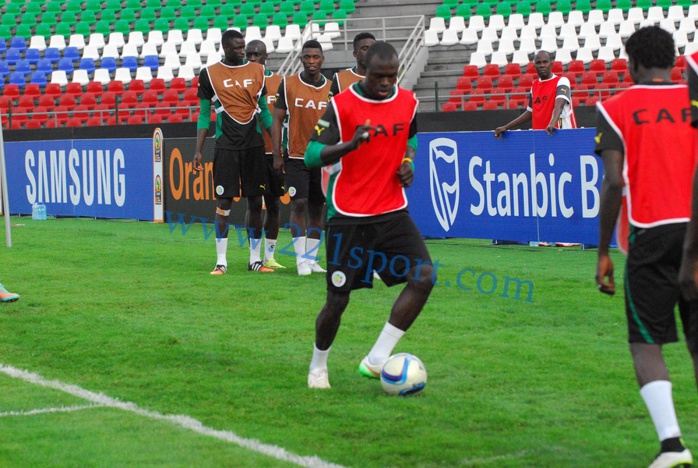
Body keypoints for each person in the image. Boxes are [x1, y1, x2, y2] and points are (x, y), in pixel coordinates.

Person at [303, 41, 435, 389]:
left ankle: (377, 358)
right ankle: (318, 366)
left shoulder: (408, 102)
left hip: (392, 211)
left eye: (392, 76)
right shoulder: (341, 105)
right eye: (379, 76)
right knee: (337, 300)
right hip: (348, 215)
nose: (386, 83)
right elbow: (312, 155)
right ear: (365, 72)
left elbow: (411, 138)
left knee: (424, 276)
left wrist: (407, 162)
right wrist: (349, 145)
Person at [595, 26, 696, 468]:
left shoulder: (614, 108)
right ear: (673, 61)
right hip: (697, 230)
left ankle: (672, 445)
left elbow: (614, 182)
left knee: (646, 342)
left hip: (650, 234)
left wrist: (602, 251)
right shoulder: (694, 101)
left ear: (631, 62)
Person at [194, 29, 274, 274]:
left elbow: (264, 110)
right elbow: (204, 114)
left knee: (256, 201)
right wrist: (198, 150)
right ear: (226, 48)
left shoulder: (257, 71)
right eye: (238, 48)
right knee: (224, 202)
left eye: (243, 47)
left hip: (254, 145)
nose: (243, 51)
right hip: (226, 146)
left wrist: (278, 143)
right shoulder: (209, 74)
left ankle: (255, 260)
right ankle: (221, 261)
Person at [272, 40, 331, 276]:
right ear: (301, 59)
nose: (311, 61)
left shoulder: (332, 88)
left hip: (322, 156)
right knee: (298, 203)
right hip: (296, 156)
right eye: (307, 57)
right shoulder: (288, 84)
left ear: (322, 59)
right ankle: (300, 260)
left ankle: (312, 260)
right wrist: (277, 154)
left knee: (317, 208)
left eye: (315, 57)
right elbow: (277, 119)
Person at [245, 39, 286, 269]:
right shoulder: (241, 81)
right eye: (249, 54)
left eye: (257, 54)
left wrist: (282, 147)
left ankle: (270, 256)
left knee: (274, 204)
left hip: (274, 153)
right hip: (251, 150)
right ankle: (254, 257)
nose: (252, 58)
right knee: (253, 203)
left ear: (266, 56)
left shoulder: (279, 82)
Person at [494, 50, 577, 137]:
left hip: (563, 134)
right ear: (535, 66)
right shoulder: (534, 86)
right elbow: (530, 112)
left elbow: (559, 105)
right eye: (538, 63)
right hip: (540, 136)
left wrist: (552, 124)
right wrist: (506, 127)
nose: (542, 65)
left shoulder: (562, 81)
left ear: (551, 64)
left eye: (545, 62)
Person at [329, 32, 376, 96]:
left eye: (373, 49)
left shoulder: (385, 78)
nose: (370, 52)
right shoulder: (340, 78)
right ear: (355, 54)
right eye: (365, 49)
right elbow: (331, 102)